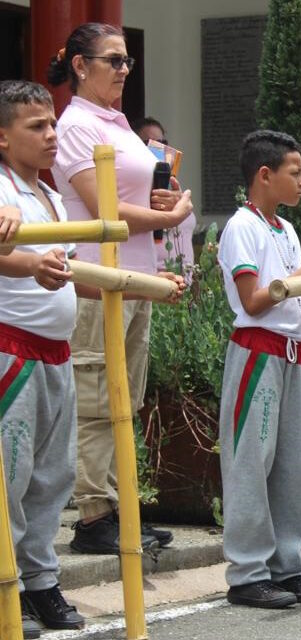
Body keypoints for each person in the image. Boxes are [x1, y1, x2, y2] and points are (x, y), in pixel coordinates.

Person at [49, 22, 190, 554]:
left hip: (134, 277)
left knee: (124, 400)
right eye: (114, 60)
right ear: (81, 67)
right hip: (96, 277)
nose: (124, 70)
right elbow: (104, 207)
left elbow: (140, 195)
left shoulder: (119, 123)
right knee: (96, 398)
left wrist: (165, 202)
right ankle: (93, 515)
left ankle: (118, 505)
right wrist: (169, 215)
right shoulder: (77, 125)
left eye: (128, 60)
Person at [217, 130, 301, 608]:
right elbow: (254, 300)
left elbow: (299, 301)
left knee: (294, 460)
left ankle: (286, 565)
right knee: (251, 459)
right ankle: (247, 572)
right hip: (257, 351)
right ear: (264, 175)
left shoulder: (284, 229)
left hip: (293, 352)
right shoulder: (239, 227)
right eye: (295, 173)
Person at [0, 80, 86, 638]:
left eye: (53, 124)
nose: (52, 136)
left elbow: (73, 274)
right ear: (3, 138)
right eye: (37, 126)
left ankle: (39, 582)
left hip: (57, 354)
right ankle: (4, 587)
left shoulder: (52, 195)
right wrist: (26, 262)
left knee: (52, 479)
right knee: (8, 478)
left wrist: (147, 283)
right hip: (13, 350)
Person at [133, 116, 196, 278]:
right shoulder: (135, 192)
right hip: (157, 282)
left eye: (162, 143)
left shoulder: (173, 184)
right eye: (149, 142)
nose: (158, 148)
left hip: (185, 285)